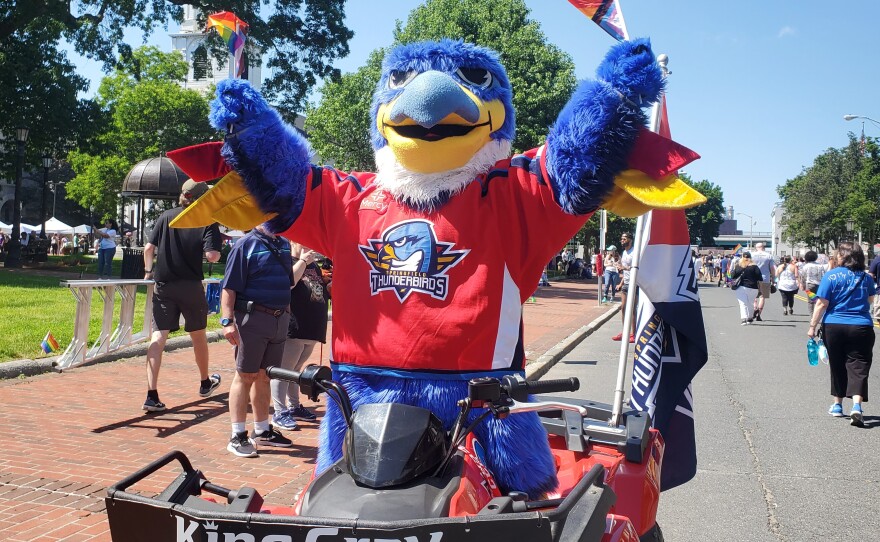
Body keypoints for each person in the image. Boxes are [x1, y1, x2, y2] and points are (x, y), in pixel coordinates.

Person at [141, 180, 223, 412]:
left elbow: (149, 249)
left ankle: (151, 394)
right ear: (201, 198)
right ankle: (205, 382)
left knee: (158, 337)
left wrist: (148, 271)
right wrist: (215, 247)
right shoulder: (206, 220)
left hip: (163, 285)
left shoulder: (166, 216)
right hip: (190, 286)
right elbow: (213, 256)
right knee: (198, 336)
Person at [221, 224, 295, 457]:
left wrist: (288, 314)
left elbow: (286, 283)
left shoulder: (283, 244)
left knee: (265, 375)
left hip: (278, 318)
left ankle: (262, 430)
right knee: (245, 375)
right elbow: (229, 287)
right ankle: (237, 435)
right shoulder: (245, 245)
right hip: (252, 319)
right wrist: (227, 321)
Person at [807, 242, 874, 427]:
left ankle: (837, 405)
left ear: (842, 256)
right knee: (859, 365)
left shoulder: (831, 275)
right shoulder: (866, 278)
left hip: (834, 325)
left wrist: (812, 326)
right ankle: (857, 406)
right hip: (861, 326)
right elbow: (869, 299)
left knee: (837, 364)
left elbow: (821, 304)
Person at [271, 243, 330, 430]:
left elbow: (319, 290)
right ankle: (279, 411)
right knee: (284, 370)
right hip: (294, 327)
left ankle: (294, 406)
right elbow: (290, 282)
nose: (308, 245)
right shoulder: (290, 261)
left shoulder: (313, 265)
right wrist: (303, 261)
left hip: (311, 328)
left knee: (295, 370)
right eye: (302, 241)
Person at [613, 232, 636, 342]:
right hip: (626, 283)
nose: (622, 240)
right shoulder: (624, 252)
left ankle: (634, 333)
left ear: (630, 240)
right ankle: (625, 332)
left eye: (624, 238)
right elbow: (625, 270)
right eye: (621, 238)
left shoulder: (634, 252)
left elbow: (637, 267)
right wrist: (620, 283)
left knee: (632, 309)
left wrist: (624, 267)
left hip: (634, 283)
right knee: (623, 308)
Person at [730, 251, 763, 325]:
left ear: (742, 257)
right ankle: (750, 318)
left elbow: (732, 276)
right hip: (753, 288)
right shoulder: (755, 266)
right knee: (750, 303)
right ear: (750, 258)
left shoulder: (739, 266)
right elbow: (760, 278)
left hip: (742, 287)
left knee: (743, 303)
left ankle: (744, 319)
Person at [749, 242, 776, 321]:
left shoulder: (752, 255)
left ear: (756, 248)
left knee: (753, 296)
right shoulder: (769, 256)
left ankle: (755, 308)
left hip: (753, 278)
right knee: (762, 297)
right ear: (764, 247)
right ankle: (758, 314)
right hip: (765, 278)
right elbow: (772, 269)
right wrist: (773, 279)